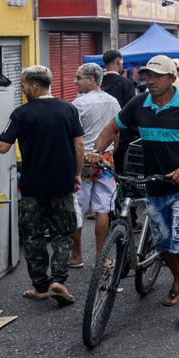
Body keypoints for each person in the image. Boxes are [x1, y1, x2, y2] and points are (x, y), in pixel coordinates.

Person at [92, 55, 179, 332]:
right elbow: (113, 128)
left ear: (173, 79)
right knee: (163, 248)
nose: (150, 81)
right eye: (148, 75)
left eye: (157, 76)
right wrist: (97, 150)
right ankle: (177, 279)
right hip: (154, 185)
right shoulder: (138, 104)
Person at [0, 65, 83, 305]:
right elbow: (79, 145)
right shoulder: (69, 109)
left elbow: (3, 147)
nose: (22, 88)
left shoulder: (22, 114)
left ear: (34, 86)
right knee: (62, 234)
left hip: (32, 187)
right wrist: (76, 174)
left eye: (24, 84)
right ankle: (59, 280)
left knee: (33, 236)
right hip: (62, 184)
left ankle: (41, 287)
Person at [69, 63, 121, 268]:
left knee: (77, 210)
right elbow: (117, 132)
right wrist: (111, 155)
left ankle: (76, 255)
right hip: (106, 159)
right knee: (103, 209)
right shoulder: (113, 101)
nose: (75, 81)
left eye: (78, 77)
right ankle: (102, 257)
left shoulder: (78, 104)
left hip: (83, 161)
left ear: (91, 80)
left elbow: (74, 138)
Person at [101, 49, 138, 173]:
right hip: (122, 139)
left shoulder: (98, 83)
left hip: (100, 140)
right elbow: (132, 112)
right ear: (118, 62)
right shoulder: (126, 84)